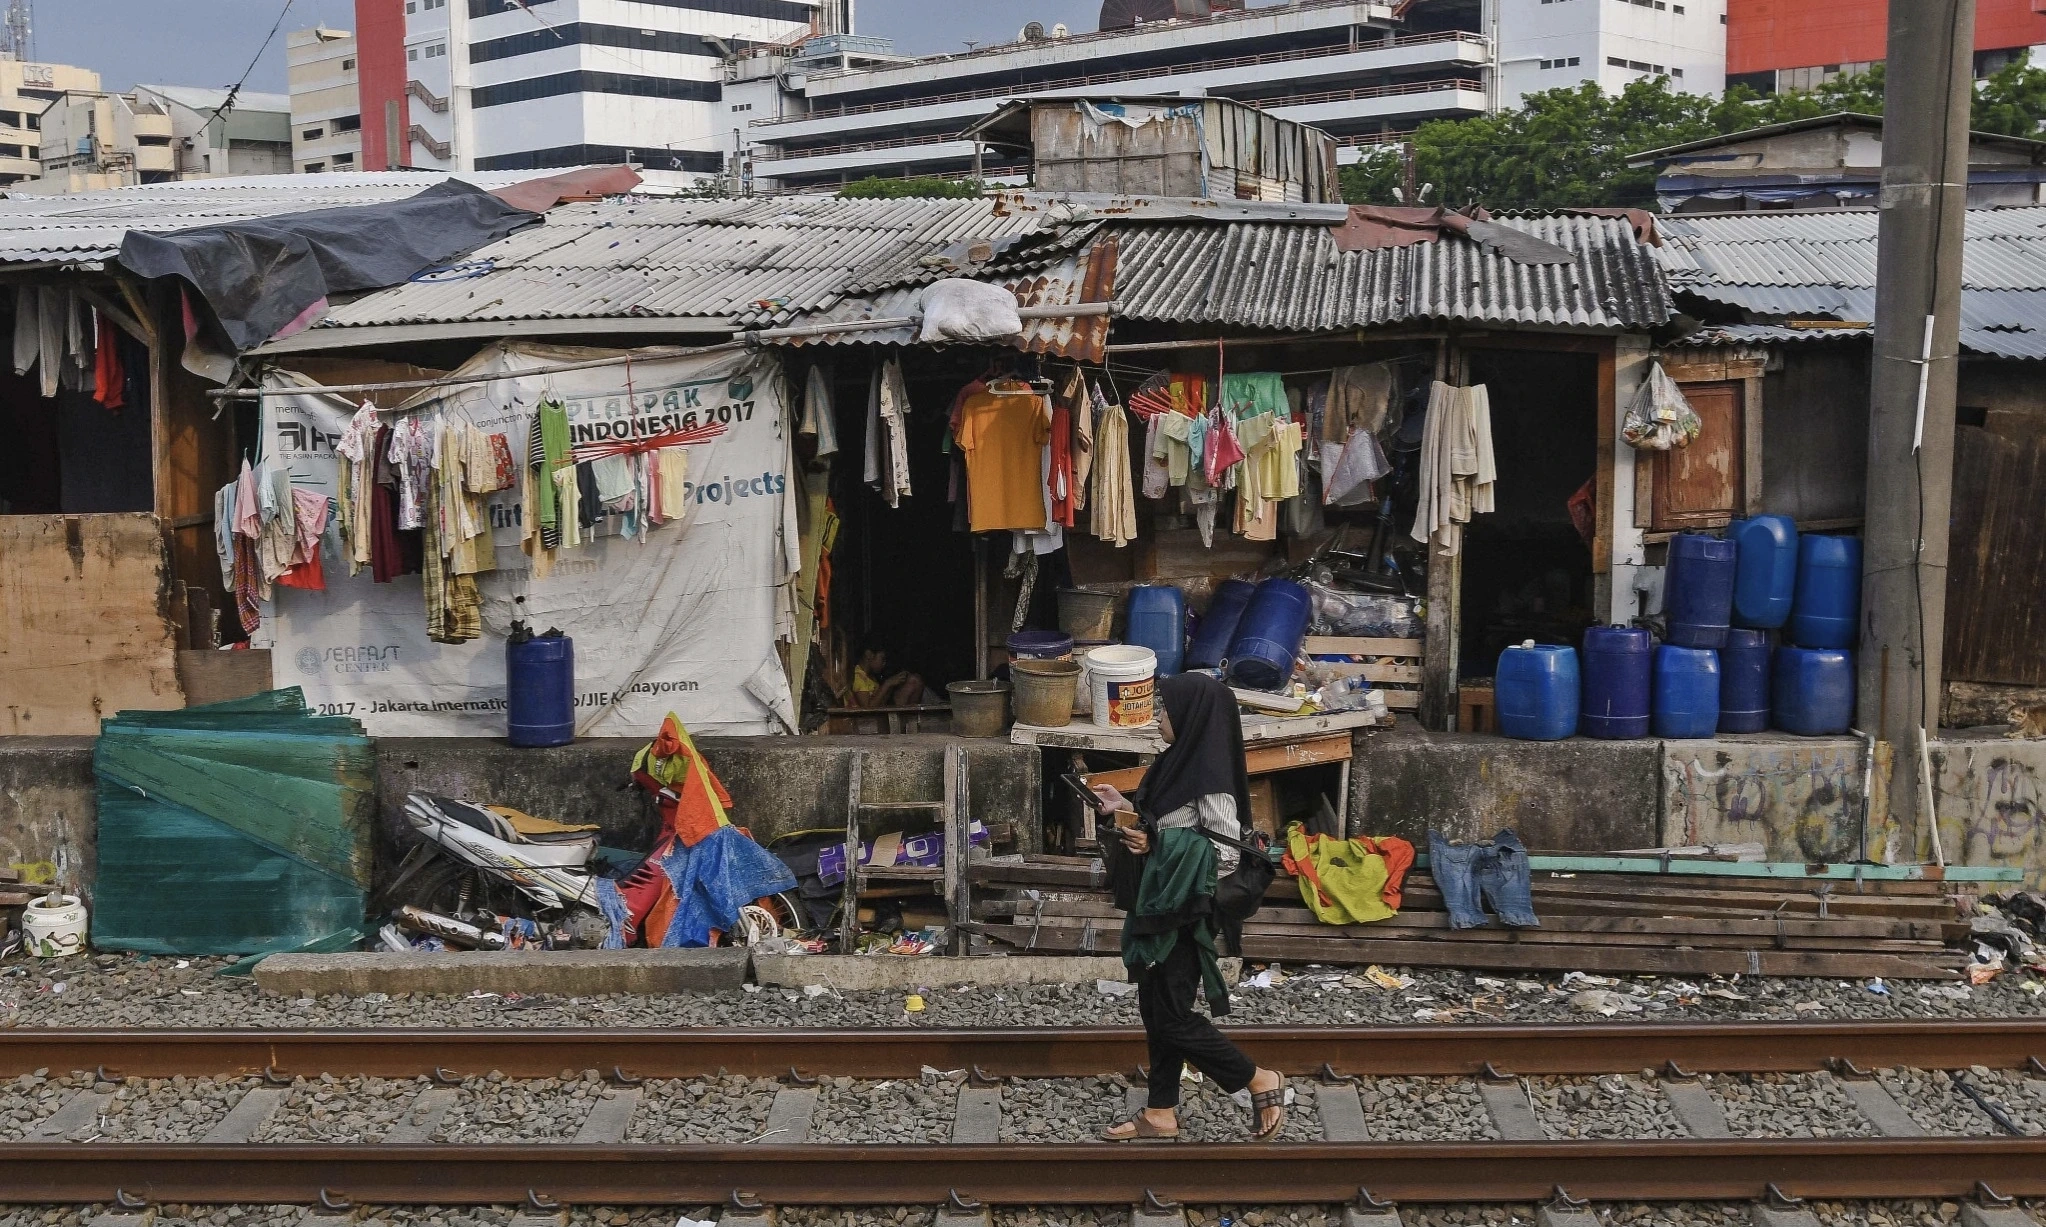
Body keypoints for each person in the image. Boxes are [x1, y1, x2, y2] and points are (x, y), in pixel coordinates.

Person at [1091, 672, 1288, 1142]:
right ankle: (1160, 1113)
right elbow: (1169, 825)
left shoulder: (1211, 778)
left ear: (1190, 717)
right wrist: (1126, 809)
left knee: (1173, 1015)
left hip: (1186, 913)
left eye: (1166, 710)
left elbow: (1223, 854)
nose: (1160, 717)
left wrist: (1157, 844)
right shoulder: (1176, 762)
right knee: (1153, 1007)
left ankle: (1257, 1078)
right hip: (1160, 903)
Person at [847, 638, 925, 709]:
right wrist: (888, 683)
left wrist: (893, 684)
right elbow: (868, 709)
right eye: (882, 659)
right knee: (914, 681)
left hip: (882, 711)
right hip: (869, 720)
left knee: (915, 680)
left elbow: (881, 702)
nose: (884, 664)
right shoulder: (858, 676)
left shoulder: (871, 676)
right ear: (869, 654)